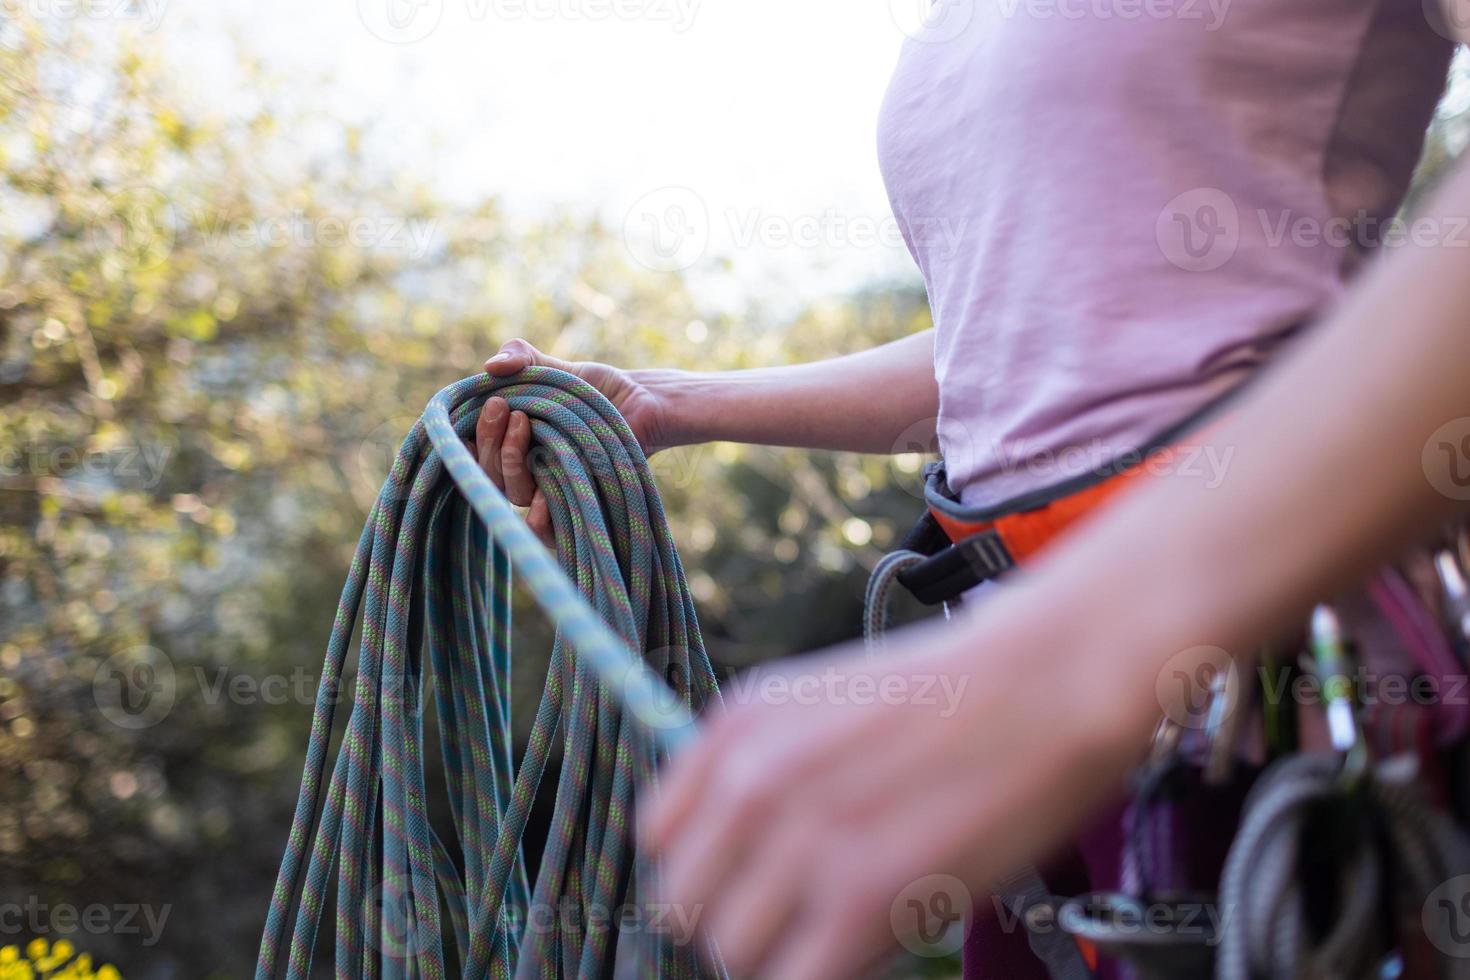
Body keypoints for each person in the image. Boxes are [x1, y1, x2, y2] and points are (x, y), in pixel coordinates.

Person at [473, 4, 1470, 977]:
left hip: (1259, 664)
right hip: (1020, 682)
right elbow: (1018, 338)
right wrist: (667, 401)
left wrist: (1081, 655)